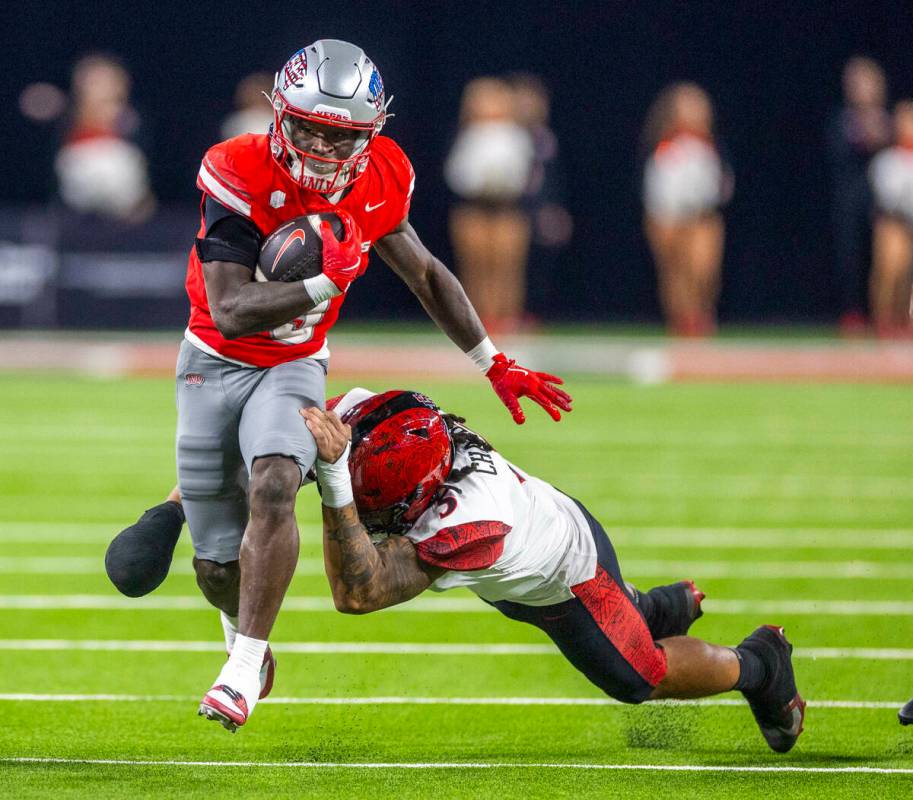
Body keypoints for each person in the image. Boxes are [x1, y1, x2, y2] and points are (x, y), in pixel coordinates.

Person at [141, 39, 572, 733]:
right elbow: (228, 308)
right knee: (216, 567)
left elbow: (426, 273)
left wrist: (491, 359)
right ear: (280, 115)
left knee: (277, 478)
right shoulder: (236, 167)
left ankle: (241, 668)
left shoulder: (382, 175)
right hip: (212, 360)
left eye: (340, 134)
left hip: (296, 361)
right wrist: (322, 278)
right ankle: (239, 625)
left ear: (369, 134)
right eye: (308, 125)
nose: (319, 143)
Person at [297, 388, 806, 754]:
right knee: (558, 607)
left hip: (568, 577)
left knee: (638, 676)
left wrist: (336, 481)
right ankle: (658, 607)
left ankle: (761, 663)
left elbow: (358, 593)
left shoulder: (473, 522)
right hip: (535, 544)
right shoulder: (382, 419)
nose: (374, 520)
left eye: (381, 506)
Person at [444, 77, 535, 333]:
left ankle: (507, 319)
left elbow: (524, 172)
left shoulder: (516, 135)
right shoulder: (467, 134)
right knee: (474, 267)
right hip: (473, 207)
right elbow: (456, 173)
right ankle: (477, 321)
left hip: (507, 207)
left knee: (507, 267)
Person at [641, 83, 732, 337]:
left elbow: (722, 181)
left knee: (704, 272)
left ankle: (703, 314)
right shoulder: (664, 143)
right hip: (669, 217)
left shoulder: (710, 145)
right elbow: (654, 184)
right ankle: (683, 323)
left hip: (703, 217)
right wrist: (661, 219)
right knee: (676, 274)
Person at [827, 57, 892, 336]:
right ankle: (852, 312)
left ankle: (889, 316)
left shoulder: (893, 120)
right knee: (850, 256)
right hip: (850, 201)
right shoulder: (842, 121)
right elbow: (837, 155)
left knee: (888, 259)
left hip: (888, 203)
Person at [867, 100, 913, 338]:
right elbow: (887, 197)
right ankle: (883, 320)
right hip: (894, 223)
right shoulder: (887, 160)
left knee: (907, 276)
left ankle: (904, 319)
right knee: (889, 269)